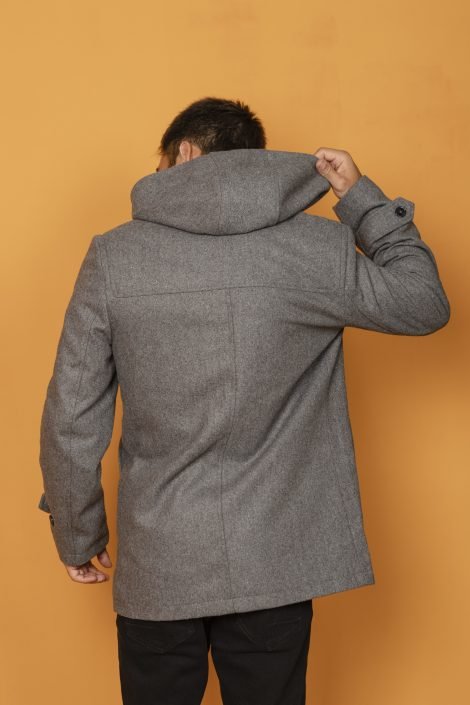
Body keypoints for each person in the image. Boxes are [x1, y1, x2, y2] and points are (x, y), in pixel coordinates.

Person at [37, 96, 450, 705]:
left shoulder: (114, 256)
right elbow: (424, 303)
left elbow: (72, 415)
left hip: (162, 564)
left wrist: (77, 532)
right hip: (274, 562)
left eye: (161, 162)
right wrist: (360, 198)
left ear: (185, 153)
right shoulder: (316, 248)